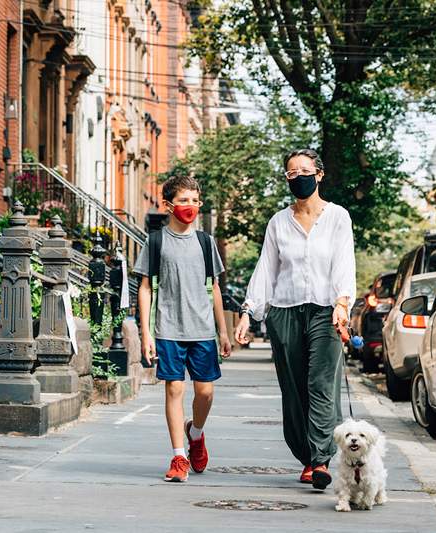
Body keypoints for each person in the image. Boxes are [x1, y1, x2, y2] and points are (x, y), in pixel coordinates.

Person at [234, 148, 356, 490]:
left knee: (320, 384)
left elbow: (344, 262)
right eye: (291, 173)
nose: (298, 176)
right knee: (294, 388)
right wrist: (248, 313)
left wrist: (342, 303)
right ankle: (306, 454)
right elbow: (266, 270)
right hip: (285, 312)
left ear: (319, 174)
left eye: (304, 170)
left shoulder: (338, 217)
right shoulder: (278, 222)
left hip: (325, 310)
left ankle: (320, 459)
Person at [135, 175, 232, 483]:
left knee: (205, 392)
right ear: (168, 205)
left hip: (202, 329)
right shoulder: (157, 241)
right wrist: (146, 333)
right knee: (175, 389)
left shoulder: (205, 243)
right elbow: (145, 287)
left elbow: (214, 288)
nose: (189, 206)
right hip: (168, 328)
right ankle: (179, 456)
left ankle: (196, 433)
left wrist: (224, 331)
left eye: (194, 200)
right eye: (183, 200)